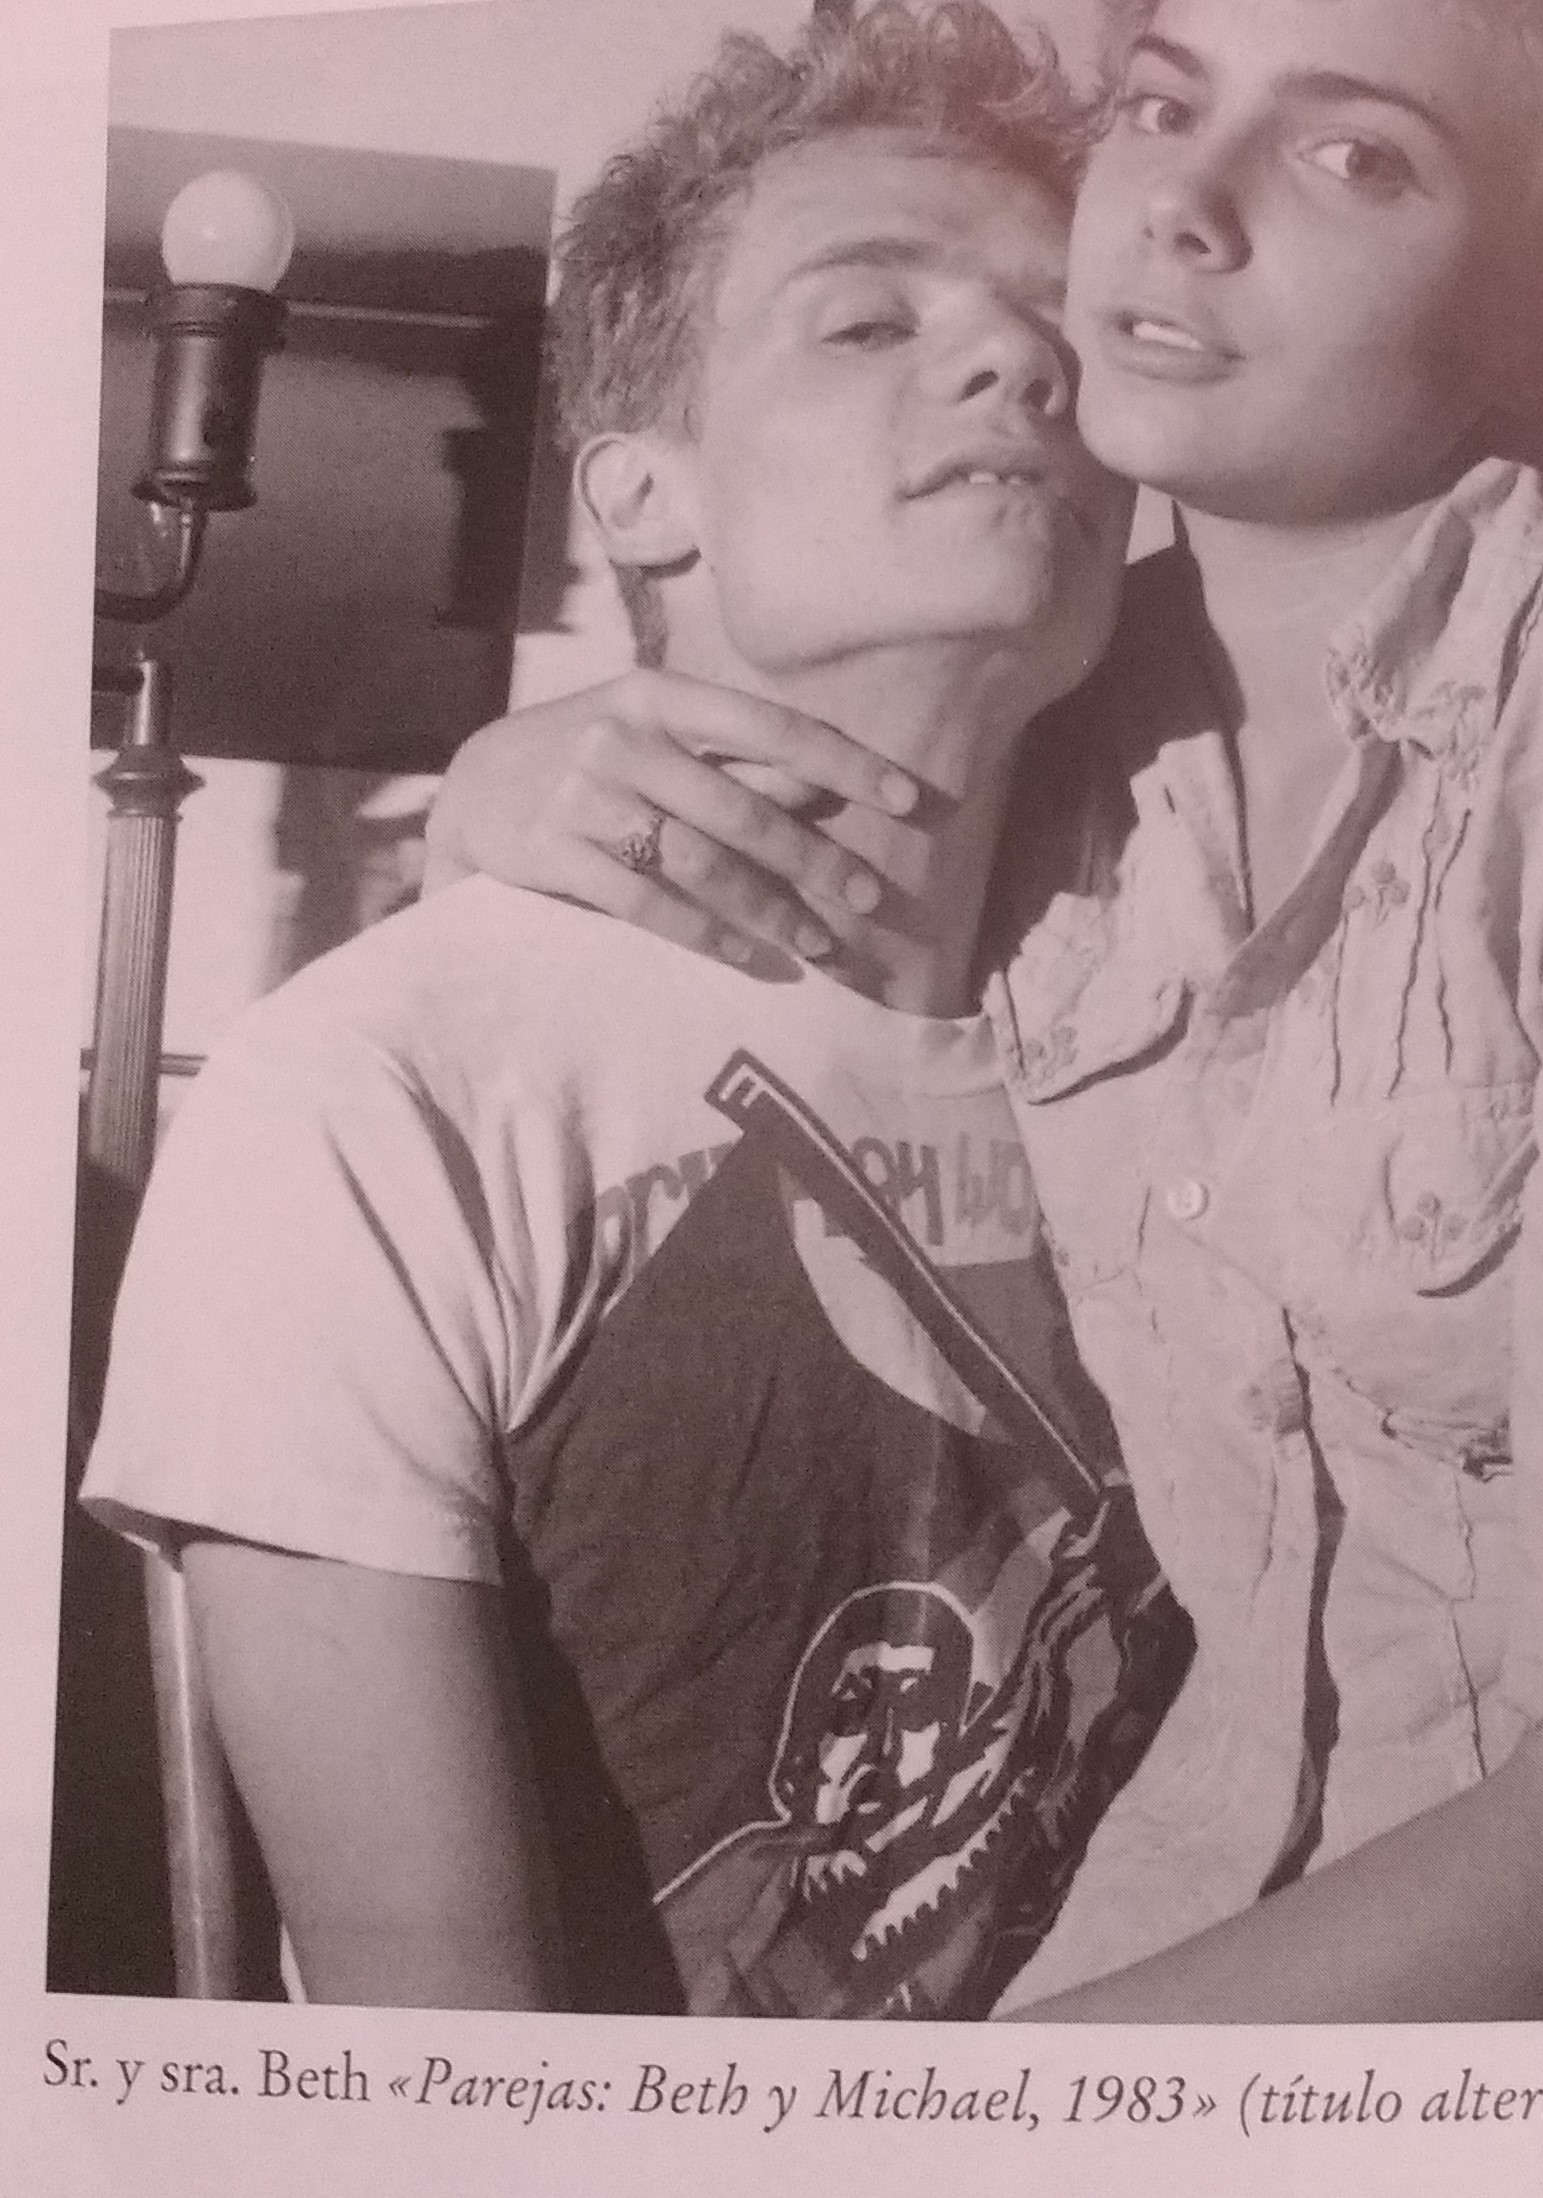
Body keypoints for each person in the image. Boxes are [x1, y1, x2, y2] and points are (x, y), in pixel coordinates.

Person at [429, 0, 1543, 2021]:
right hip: (1172, 1886)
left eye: (1354, 155)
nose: (1183, 201)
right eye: (1165, 101)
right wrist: (495, 786)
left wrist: (938, 2147)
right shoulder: (1048, 678)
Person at [82, 1, 1196, 2017]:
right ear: (640, 495)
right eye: (868, 319)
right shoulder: (372, 1100)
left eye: (1064, 328)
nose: (1021, 362)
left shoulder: (1203, 1004)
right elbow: (450, 2091)